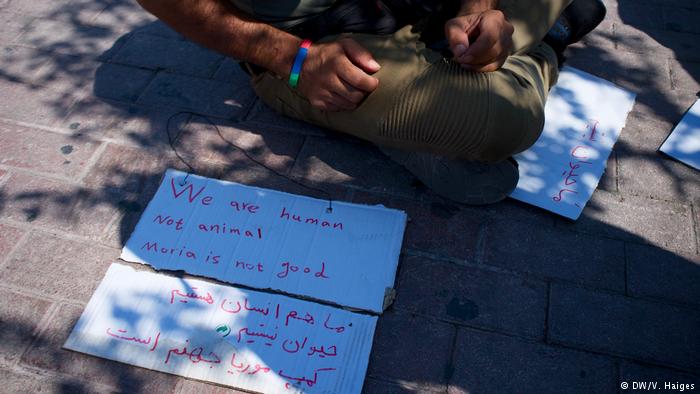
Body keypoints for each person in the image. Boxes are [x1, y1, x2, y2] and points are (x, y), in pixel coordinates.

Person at [136, 0, 605, 204]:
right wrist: (289, 58)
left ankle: (506, 40)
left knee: (484, 50)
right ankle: (545, 44)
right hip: (320, 49)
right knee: (504, 121)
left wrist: (477, 9)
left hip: (418, 11)